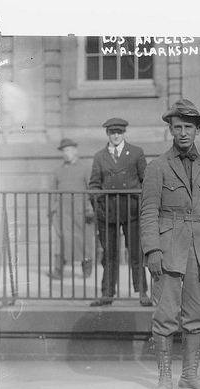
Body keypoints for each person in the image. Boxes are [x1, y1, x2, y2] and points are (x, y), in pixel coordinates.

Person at [140, 99, 200, 389]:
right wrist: (152, 250)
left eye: (188, 127)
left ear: (198, 129)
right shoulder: (157, 167)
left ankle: (190, 375)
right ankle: (165, 377)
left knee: (196, 313)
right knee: (165, 314)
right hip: (168, 248)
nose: (182, 133)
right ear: (170, 130)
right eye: (177, 127)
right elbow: (149, 211)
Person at [89, 118, 150, 307]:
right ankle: (107, 294)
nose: (116, 136)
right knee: (109, 255)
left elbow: (146, 180)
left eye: (119, 132)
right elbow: (94, 185)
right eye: (112, 132)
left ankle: (142, 293)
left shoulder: (136, 152)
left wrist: (141, 204)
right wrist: (99, 206)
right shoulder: (99, 156)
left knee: (136, 253)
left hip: (132, 211)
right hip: (108, 213)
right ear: (107, 134)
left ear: (124, 133)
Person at [48, 138, 95, 279]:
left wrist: (90, 208)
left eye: (68, 150)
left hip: (81, 213)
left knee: (84, 241)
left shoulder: (85, 168)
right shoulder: (58, 171)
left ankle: (86, 269)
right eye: (63, 151)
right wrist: (51, 211)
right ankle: (58, 270)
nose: (66, 154)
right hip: (63, 213)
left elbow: (92, 190)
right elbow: (52, 192)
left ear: (75, 151)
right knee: (61, 241)